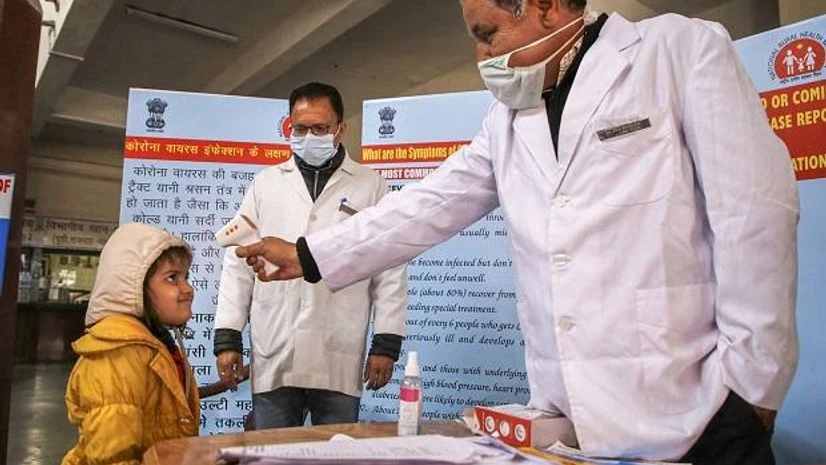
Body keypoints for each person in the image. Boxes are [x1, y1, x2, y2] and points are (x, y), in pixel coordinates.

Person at [235, 1, 800, 464]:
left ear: (547, 8)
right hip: (569, 420)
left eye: (487, 35)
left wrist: (752, 385)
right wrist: (309, 253)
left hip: (697, 409)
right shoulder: (508, 118)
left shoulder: (676, 52)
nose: (482, 56)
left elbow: (753, 211)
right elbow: (433, 203)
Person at [213, 82, 407, 429]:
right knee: (269, 453)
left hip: (338, 347)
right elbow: (237, 263)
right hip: (276, 345)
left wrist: (386, 344)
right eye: (300, 128)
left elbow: (389, 268)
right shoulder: (266, 184)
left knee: (336, 452)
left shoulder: (370, 185)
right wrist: (228, 336)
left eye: (320, 128)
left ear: (340, 129)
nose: (309, 136)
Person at [62, 223, 200, 465]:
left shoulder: (153, 345)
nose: (188, 288)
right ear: (133, 286)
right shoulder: (116, 356)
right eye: (172, 278)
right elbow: (113, 457)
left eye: (185, 277)